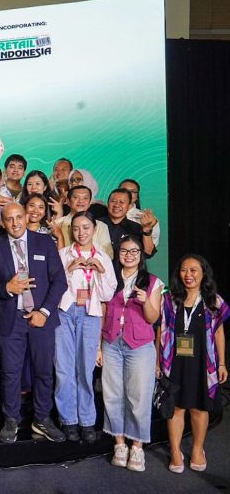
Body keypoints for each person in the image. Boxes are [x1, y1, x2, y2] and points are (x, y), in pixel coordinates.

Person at [0, 203, 68, 443]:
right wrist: (7, 288)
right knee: (11, 372)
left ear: (26, 217)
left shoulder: (44, 242)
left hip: (41, 318)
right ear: (2, 222)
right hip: (10, 319)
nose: (15, 223)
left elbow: (60, 281)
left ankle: (42, 418)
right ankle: (11, 419)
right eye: (9, 219)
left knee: (44, 371)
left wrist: (44, 312)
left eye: (18, 217)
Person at [159, 254, 229, 474]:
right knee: (176, 408)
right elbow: (160, 330)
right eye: (183, 270)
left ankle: (198, 449)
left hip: (202, 364)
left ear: (203, 273)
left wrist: (222, 363)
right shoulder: (169, 299)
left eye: (193, 270)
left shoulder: (213, 301)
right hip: (175, 363)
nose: (188, 275)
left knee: (199, 408)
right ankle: (176, 451)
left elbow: (219, 333)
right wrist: (157, 362)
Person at [101, 235, 162, 472]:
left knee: (139, 396)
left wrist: (146, 301)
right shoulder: (110, 278)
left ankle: (137, 445)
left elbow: (153, 318)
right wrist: (98, 346)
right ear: (118, 254)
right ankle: (119, 443)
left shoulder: (153, 282)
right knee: (112, 394)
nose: (129, 255)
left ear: (141, 255)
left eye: (134, 251)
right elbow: (102, 312)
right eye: (124, 251)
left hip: (140, 345)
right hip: (112, 342)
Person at [55, 212, 116, 443]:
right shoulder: (63, 254)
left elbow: (108, 294)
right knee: (64, 368)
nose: (81, 233)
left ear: (94, 229)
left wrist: (100, 271)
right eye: (77, 228)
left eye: (86, 227)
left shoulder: (103, 257)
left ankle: (87, 420)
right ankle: (68, 420)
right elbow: (53, 286)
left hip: (90, 314)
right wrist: (69, 269)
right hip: (64, 312)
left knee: (85, 369)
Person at [56, 186, 113, 258]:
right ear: (68, 201)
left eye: (85, 198)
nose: (81, 201)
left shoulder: (100, 226)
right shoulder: (57, 224)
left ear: (90, 202)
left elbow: (109, 254)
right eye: (76, 197)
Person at [99, 188, 156, 257]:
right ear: (108, 203)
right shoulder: (96, 224)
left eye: (121, 202)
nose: (116, 205)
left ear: (129, 206)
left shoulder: (136, 228)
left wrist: (146, 230)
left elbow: (148, 253)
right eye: (113, 201)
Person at [119, 179, 161, 248]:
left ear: (137, 197)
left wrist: (148, 227)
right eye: (124, 190)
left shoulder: (146, 217)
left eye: (133, 191)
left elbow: (151, 247)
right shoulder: (105, 213)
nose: (128, 193)